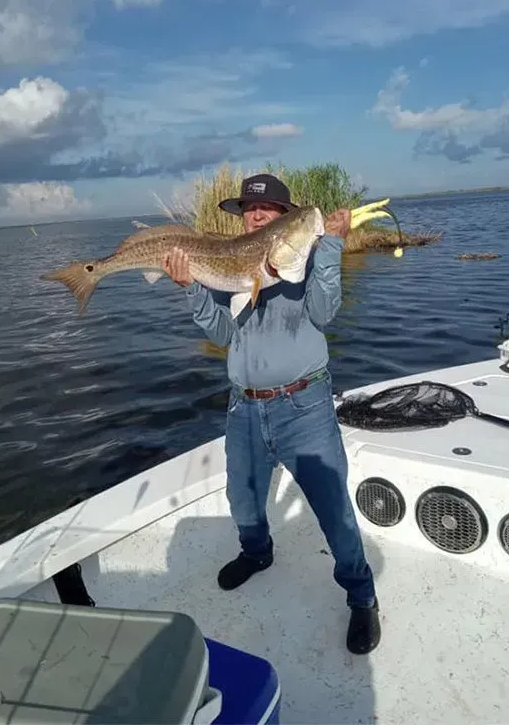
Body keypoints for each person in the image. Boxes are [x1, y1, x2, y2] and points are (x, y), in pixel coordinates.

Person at [162, 173, 381, 655]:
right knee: (242, 497)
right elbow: (220, 333)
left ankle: (361, 595)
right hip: (244, 406)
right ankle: (257, 554)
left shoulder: (305, 261)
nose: (255, 214)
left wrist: (330, 248)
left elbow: (325, 314)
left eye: (268, 210)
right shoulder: (230, 260)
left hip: (305, 406)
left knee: (333, 510)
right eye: (248, 209)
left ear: (283, 218)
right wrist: (193, 288)